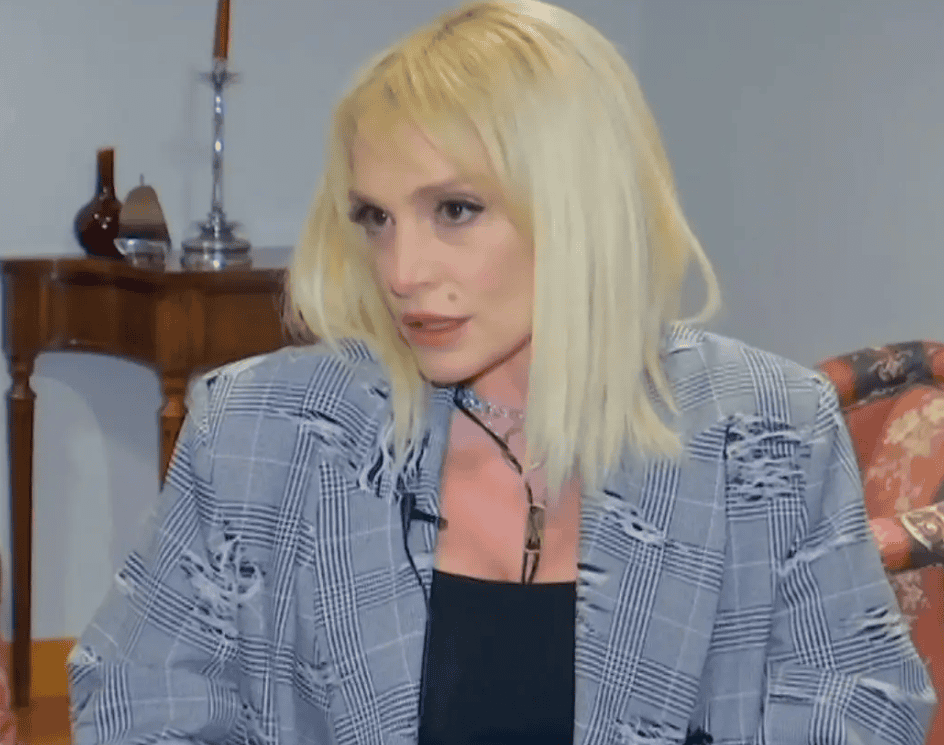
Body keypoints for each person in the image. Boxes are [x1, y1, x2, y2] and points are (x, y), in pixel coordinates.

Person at [69, 1, 936, 743]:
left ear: (581, 205)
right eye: (375, 216)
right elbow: (136, 706)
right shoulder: (258, 429)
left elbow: (860, 709)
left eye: (455, 209)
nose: (401, 270)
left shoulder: (769, 430)